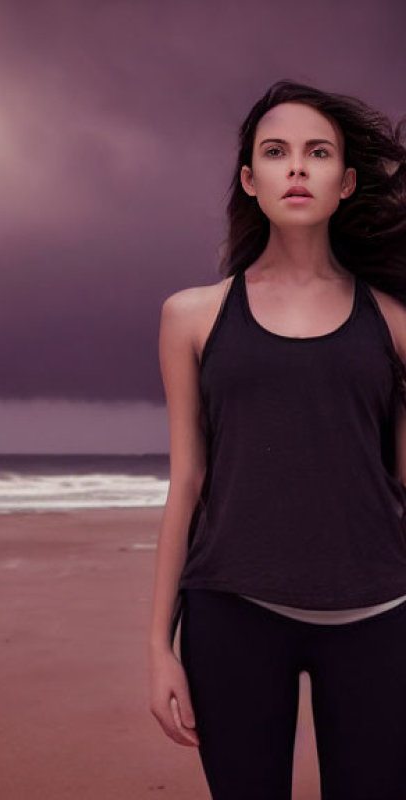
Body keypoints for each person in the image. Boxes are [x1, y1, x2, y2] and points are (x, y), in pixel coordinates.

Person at [148, 79, 406, 799]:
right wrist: (156, 649)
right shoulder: (192, 318)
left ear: (346, 180)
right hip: (231, 614)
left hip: (380, 618)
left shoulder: (394, 323)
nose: (297, 167)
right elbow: (188, 483)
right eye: (276, 151)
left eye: (318, 153)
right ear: (249, 180)